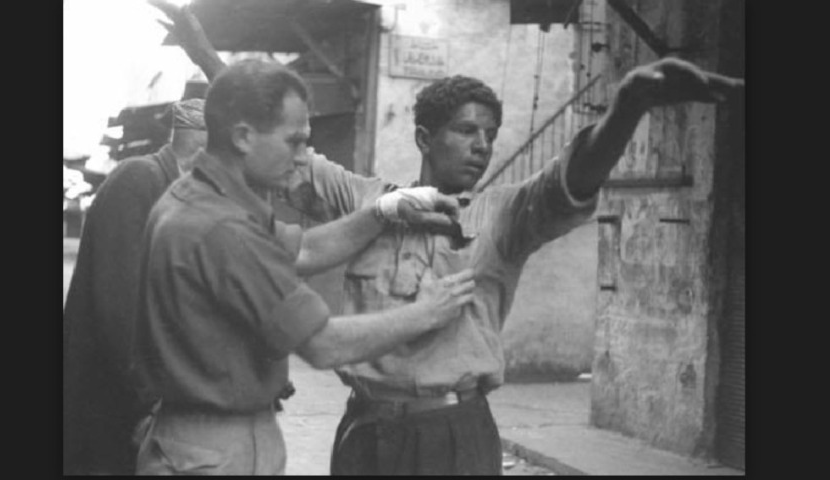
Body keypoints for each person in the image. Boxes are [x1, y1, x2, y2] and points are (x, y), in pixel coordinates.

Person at [149, 3, 744, 475]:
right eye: (465, 131)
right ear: (425, 138)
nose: (482, 145)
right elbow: (275, 138)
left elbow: (573, 177)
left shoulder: (505, 213)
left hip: (454, 437)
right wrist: (207, 54)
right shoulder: (366, 200)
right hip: (366, 433)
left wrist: (627, 106)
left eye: (489, 133)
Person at [130, 59, 478, 476]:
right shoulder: (224, 228)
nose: (302, 158)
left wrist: (384, 211)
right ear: (243, 136)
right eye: (293, 142)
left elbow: (305, 251)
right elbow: (323, 344)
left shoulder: (196, 198)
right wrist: (425, 312)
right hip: (215, 449)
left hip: (189, 437)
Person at [63, 98, 208, 475]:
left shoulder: (186, 194)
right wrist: (156, 401)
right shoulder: (137, 180)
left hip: (142, 401)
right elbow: (120, 308)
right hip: (109, 402)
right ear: (205, 149)